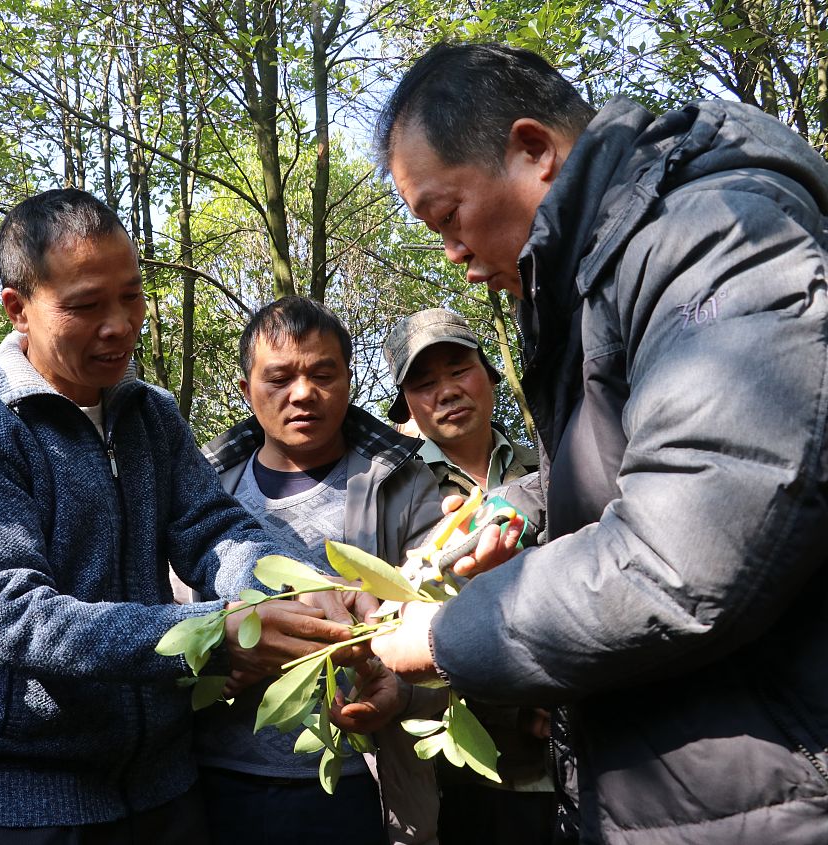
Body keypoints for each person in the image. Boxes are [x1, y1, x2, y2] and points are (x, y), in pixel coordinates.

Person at [368, 41, 828, 844]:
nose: (453, 254)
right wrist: (515, 511)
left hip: (769, 794)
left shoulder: (716, 240)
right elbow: (630, 465)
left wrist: (443, 635)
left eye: (448, 217)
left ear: (534, 150)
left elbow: (682, 554)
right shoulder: (593, 282)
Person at [0, 188, 356, 842]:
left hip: (167, 786)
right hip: (32, 796)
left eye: (131, 295)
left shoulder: (150, 414)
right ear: (18, 309)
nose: (119, 323)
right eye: (86, 305)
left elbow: (216, 533)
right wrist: (215, 631)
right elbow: (16, 615)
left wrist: (303, 593)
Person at [197, 296, 442, 845]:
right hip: (220, 778)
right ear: (246, 390)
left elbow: (442, 623)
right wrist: (218, 661)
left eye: (322, 374)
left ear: (349, 381)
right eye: (279, 378)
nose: (302, 393)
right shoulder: (205, 492)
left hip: (363, 784)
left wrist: (396, 695)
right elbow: (170, 620)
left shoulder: (405, 487)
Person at [382, 307, 552, 844]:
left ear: (491, 375)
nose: (447, 392)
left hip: (581, 740)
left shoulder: (550, 464)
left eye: (459, 371)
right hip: (474, 763)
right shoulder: (397, 492)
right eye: (425, 383)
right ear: (407, 404)